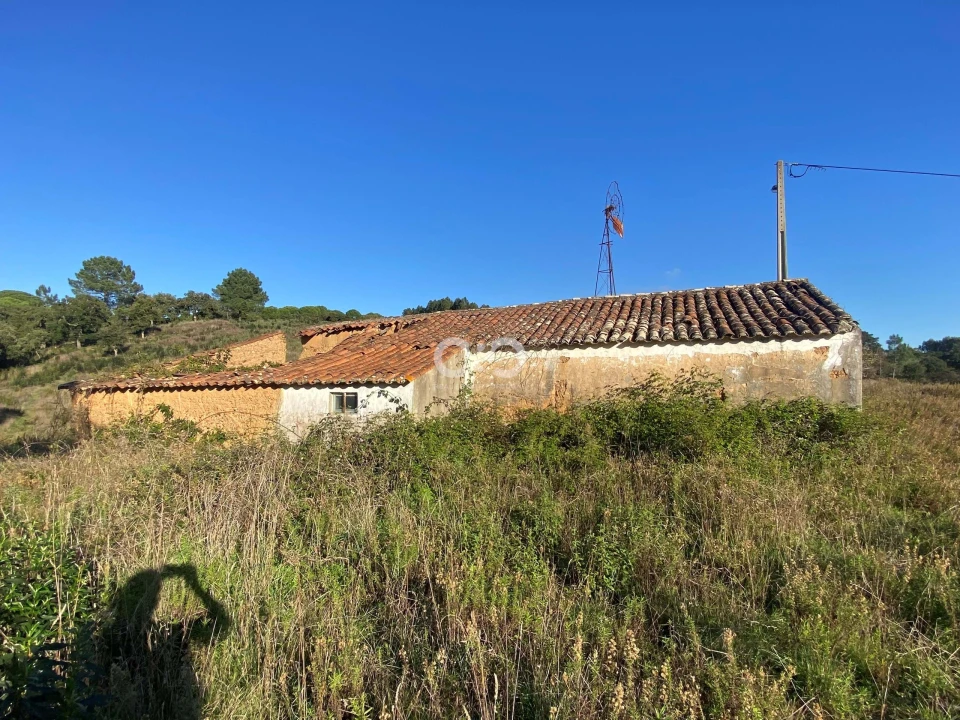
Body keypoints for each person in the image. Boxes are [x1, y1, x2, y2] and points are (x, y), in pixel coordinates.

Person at [100, 563, 230, 719]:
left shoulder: (112, 634)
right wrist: (195, 585)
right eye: (156, 595)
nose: (156, 599)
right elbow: (222, 627)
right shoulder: (167, 633)